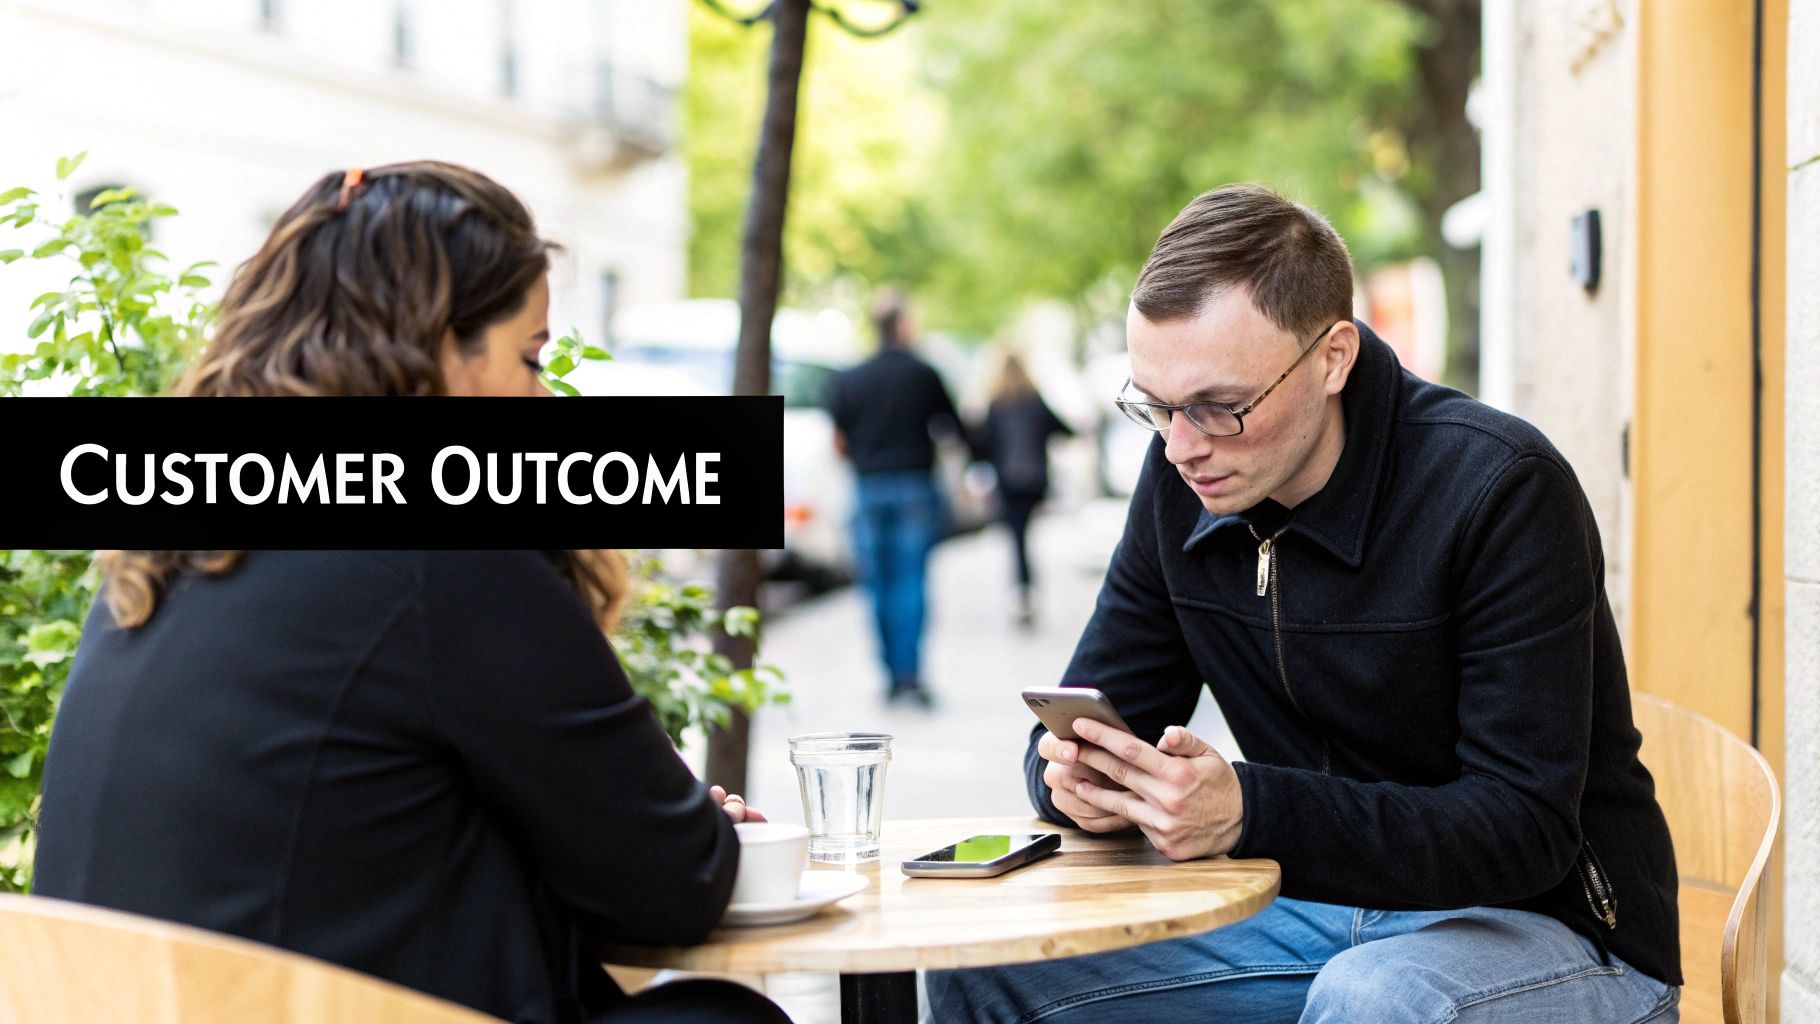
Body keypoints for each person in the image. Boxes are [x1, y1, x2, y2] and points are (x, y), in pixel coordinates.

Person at [32, 162, 791, 1024]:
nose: (546, 401)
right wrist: (692, 829)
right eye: (530, 358)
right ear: (437, 344)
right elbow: (670, 886)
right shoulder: (444, 553)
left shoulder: (173, 544)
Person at [927, 184, 1681, 1023]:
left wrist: (1247, 809)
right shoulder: (1184, 483)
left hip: (1554, 930)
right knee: (985, 963)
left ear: (1333, 357)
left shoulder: (1500, 487)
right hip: (1313, 909)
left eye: (1220, 406)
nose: (1182, 446)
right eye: (1156, 406)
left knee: (1375, 1000)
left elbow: (1523, 829)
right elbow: (1096, 713)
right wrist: (1071, 779)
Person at [824, 289, 961, 706]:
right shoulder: (923, 373)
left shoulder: (848, 379)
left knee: (877, 584)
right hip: (915, 487)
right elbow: (952, 427)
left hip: (868, 488)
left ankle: (889, 673)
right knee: (911, 581)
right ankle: (910, 675)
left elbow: (839, 441)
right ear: (902, 325)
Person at [975, 349, 1074, 628]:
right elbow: (1061, 428)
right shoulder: (1034, 400)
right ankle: (1027, 589)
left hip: (1008, 483)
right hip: (1034, 482)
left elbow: (981, 445)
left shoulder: (995, 405)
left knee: (1017, 537)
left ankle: (1022, 591)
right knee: (1023, 535)